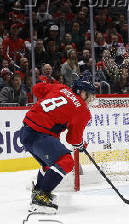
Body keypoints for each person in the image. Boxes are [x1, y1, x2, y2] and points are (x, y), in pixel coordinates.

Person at [20, 79, 96, 214]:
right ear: (82, 93)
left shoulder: (60, 87)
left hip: (25, 132)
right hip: (40, 135)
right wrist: (80, 145)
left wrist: (48, 88)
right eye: (89, 95)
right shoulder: (83, 110)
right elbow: (73, 139)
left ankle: (39, 191)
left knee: (49, 164)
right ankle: (41, 196)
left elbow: (37, 88)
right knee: (66, 162)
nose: (90, 99)